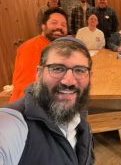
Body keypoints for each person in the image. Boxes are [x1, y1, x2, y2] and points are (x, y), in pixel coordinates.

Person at [0, 37, 94, 165]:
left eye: (80, 70)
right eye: (57, 68)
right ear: (38, 73)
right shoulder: (13, 124)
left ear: (90, 76)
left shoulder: (78, 111)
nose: (69, 81)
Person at [9, 7, 68, 103]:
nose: (59, 27)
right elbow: (27, 86)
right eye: (54, 23)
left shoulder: (52, 46)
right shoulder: (32, 47)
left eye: (63, 25)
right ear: (43, 26)